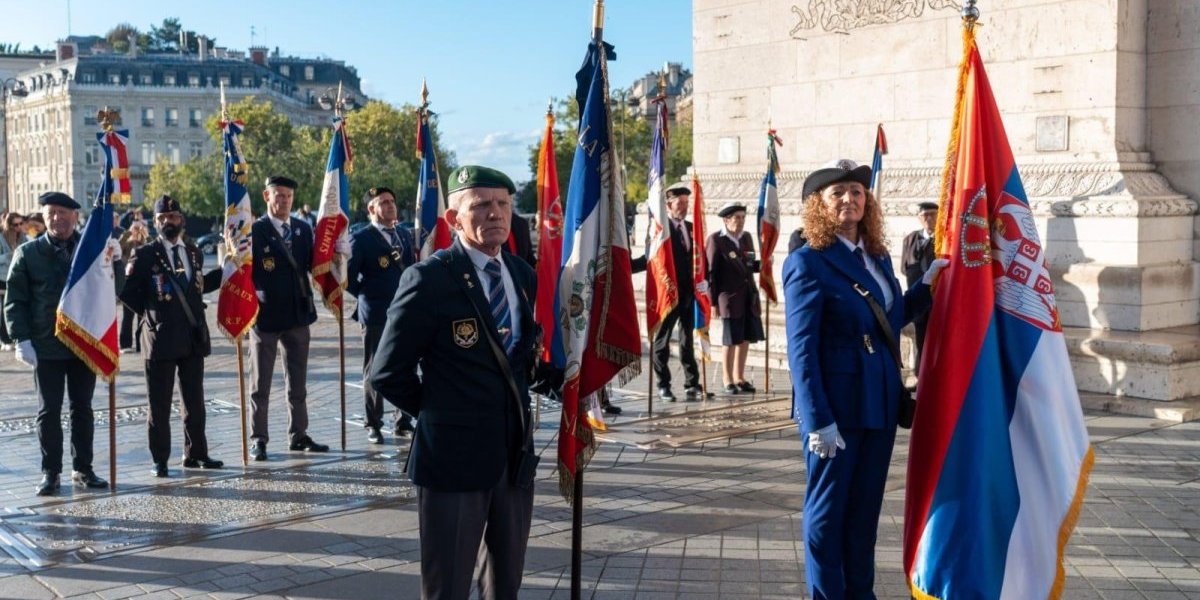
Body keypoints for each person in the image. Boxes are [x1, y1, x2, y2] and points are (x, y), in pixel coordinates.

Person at [370, 165, 539, 599]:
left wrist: (568, 380)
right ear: (453, 218)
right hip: (453, 462)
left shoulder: (521, 273)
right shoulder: (429, 278)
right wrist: (443, 414)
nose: (495, 213)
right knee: (448, 587)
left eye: (503, 204)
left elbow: (517, 361)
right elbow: (387, 371)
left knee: (505, 585)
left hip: (513, 458)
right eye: (480, 205)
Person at [783, 159, 946, 599]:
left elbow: (888, 319)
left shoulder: (877, 256)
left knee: (863, 514)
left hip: (879, 401)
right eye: (837, 193)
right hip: (836, 409)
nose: (849, 200)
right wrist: (817, 419)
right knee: (827, 517)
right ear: (818, 205)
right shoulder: (808, 262)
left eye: (856, 192)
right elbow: (801, 350)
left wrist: (927, 286)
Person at [3, 192, 109, 496]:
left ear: (75, 216)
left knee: (82, 409)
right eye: (50, 213)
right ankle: (50, 472)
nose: (56, 218)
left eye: (63, 212)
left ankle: (83, 468)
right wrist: (21, 338)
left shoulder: (90, 249)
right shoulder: (29, 253)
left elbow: (109, 290)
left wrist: (113, 262)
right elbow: (15, 300)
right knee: (48, 411)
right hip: (45, 344)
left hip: (83, 342)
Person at [119, 196, 225, 477]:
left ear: (182, 220)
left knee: (195, 402)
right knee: (160, 404)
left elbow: (197, 287)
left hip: (192, 336)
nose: (168, 221)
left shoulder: (193, 252)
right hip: (160, 339)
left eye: (173, 216)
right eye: (162, 218)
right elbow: (128, 292)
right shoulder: (144, 255)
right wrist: (152, 315)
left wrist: (226, 272)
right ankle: (160, 459)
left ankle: (196, 453)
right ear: (155, 223)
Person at [248, 175, 336, 461]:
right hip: (265, 317)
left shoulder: (302, 228)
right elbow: (244, 270)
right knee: (260, 384)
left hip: (297, 314)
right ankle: (258, 439)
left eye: (288, 196)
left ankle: (298, 435)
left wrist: (338, 256)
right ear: (267, 196)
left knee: (297, 383)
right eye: (279, 195)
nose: (284, 201)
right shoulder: (255, 231)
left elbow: (314, 264)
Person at [631, 181, 712, 402]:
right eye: (679, 203)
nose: (684, 207)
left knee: (687, 341)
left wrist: (706, 280)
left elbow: (701, 259)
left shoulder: (691, 228)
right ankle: (663, 384)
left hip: (689, 294)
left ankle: (692, 383)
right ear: (668, 205)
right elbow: (649, 258)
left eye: (686, 202)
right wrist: (625, 266)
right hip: (667, 293)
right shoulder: (659, 229)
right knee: (662, 341)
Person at [347, 186, 417, 444]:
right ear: (371, 208)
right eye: (384, 202)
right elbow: (348, 279)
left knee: (405, 365)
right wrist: (368, 295)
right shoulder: (361, 238)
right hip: (376, 313)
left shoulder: (403, 234)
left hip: (405, 312)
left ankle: (402, 421)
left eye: (392, 201)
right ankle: (373, 423)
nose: (390, 206)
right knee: (374, 368)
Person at [705, 202, 764, 394]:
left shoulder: (746, 237)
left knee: (745, 337)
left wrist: (764, 264)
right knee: (730, 339)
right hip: (728, 297)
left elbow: (750, 265)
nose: (740, 221)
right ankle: (727, 378)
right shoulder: (716, 240)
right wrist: (712, 302)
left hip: (748, 295)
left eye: (743, 217)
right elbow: (711, 273)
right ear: (726, 220)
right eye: (736, 218)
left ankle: (740, 377)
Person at [901, 201, 939, 375]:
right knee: (921, 339)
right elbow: (904, 267)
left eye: (932, 215)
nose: (928, 219)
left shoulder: (945, 238)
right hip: (917, 299)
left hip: (938, 299)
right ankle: (920, 376)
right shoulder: (910, 239)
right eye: (925, 215)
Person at [118, 219, 151, 352]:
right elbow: (118, 247)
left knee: (142, 315)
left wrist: (146, 234)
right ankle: (125, 344)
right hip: (128, 282)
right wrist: (128, 233)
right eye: (135, 228)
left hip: (143, 282)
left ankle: (140, 343)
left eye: (139, 228)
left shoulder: (146, 243)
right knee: (128, 315)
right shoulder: (128, 242)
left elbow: (154, 249)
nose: (137, 231)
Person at [0, 211, 27, 350]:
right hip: (2, 278)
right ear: (8, 225)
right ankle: (5, 339)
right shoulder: (1, 238)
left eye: (21, 223)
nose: (19, 227)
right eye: (15, 225)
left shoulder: (23, 237)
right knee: (3, 310)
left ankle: (15, 337)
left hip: (17, 277)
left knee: (16, 308)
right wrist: (8, 256)